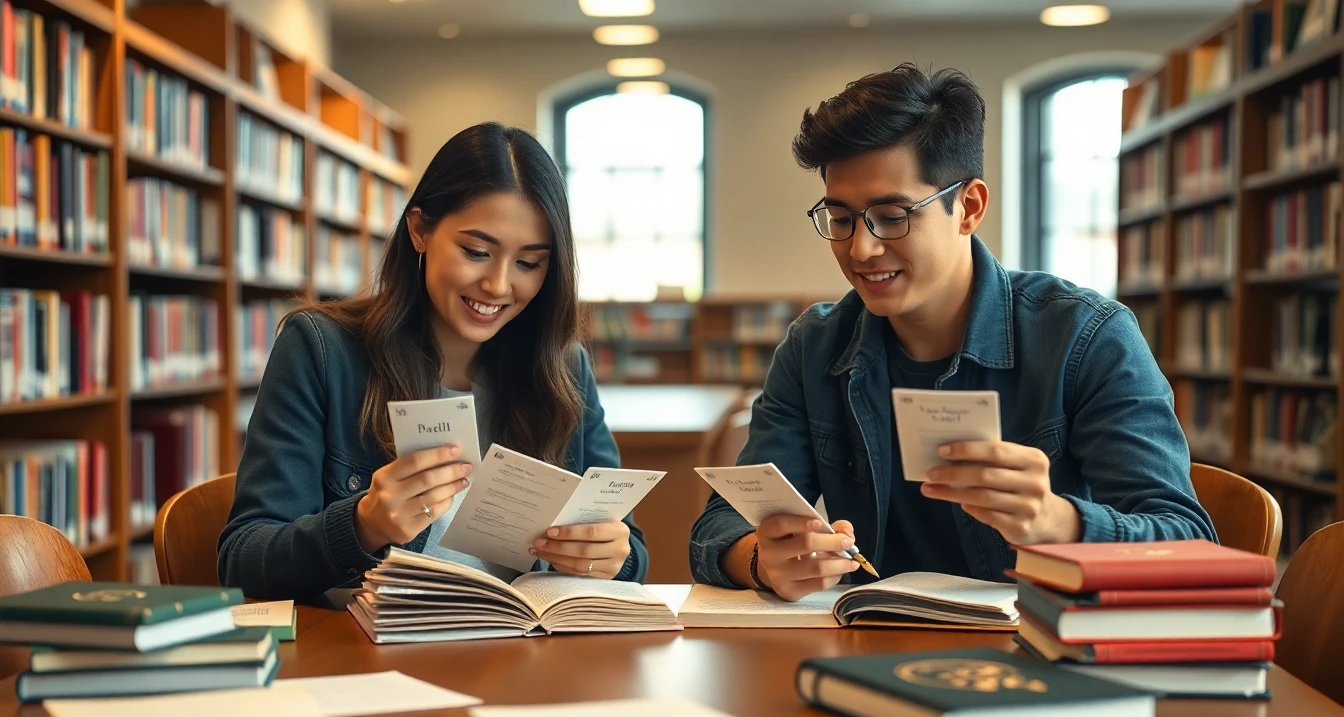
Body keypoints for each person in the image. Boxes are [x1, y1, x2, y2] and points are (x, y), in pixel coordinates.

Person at [689, 64, 1215, 602]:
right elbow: (717, 532)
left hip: (1039, 653)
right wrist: (762, 558)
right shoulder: (813, 347)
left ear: (969, 207)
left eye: (892, 216)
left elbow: (1189, 544)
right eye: (841, 218)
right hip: (870, 643)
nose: (861, 249)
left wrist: (1060, 523)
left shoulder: (1087, 339)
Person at [219, 122, 647, 599]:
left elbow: (627, 547)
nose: (499, 286)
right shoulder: (321, 349)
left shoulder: (563, 369)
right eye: (477, 251)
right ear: (420, 229)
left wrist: (613, 556)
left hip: (524, 655)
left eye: (529, 263)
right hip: (369, 660)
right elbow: (242, 559)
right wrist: (362, 526)